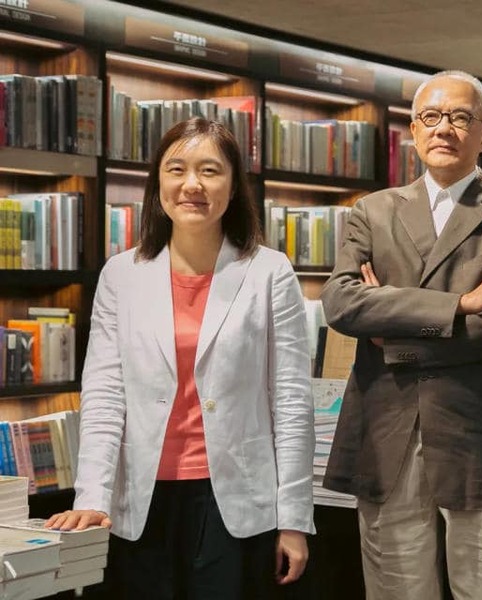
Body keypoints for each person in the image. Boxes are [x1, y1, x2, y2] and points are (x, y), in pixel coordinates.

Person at [46, 117, 315, 599]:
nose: (192, 184)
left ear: (233, 186)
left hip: (235, 499)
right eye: (176, 169)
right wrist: (91, 497)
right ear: (158, 183)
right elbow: (105, 395)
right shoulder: (121, 275)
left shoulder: (270, 272)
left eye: (210, 170)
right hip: (139, 497)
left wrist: (293, 519)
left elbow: (293, 402)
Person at [320, 70, 482, 600]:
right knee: (396, 589)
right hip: (387, 430)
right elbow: (342, 303)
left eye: (460, 117)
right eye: (431, 116)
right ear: (414, 130)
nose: (444, 127)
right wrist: (462, 304)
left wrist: (391, 330)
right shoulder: (372, 211)